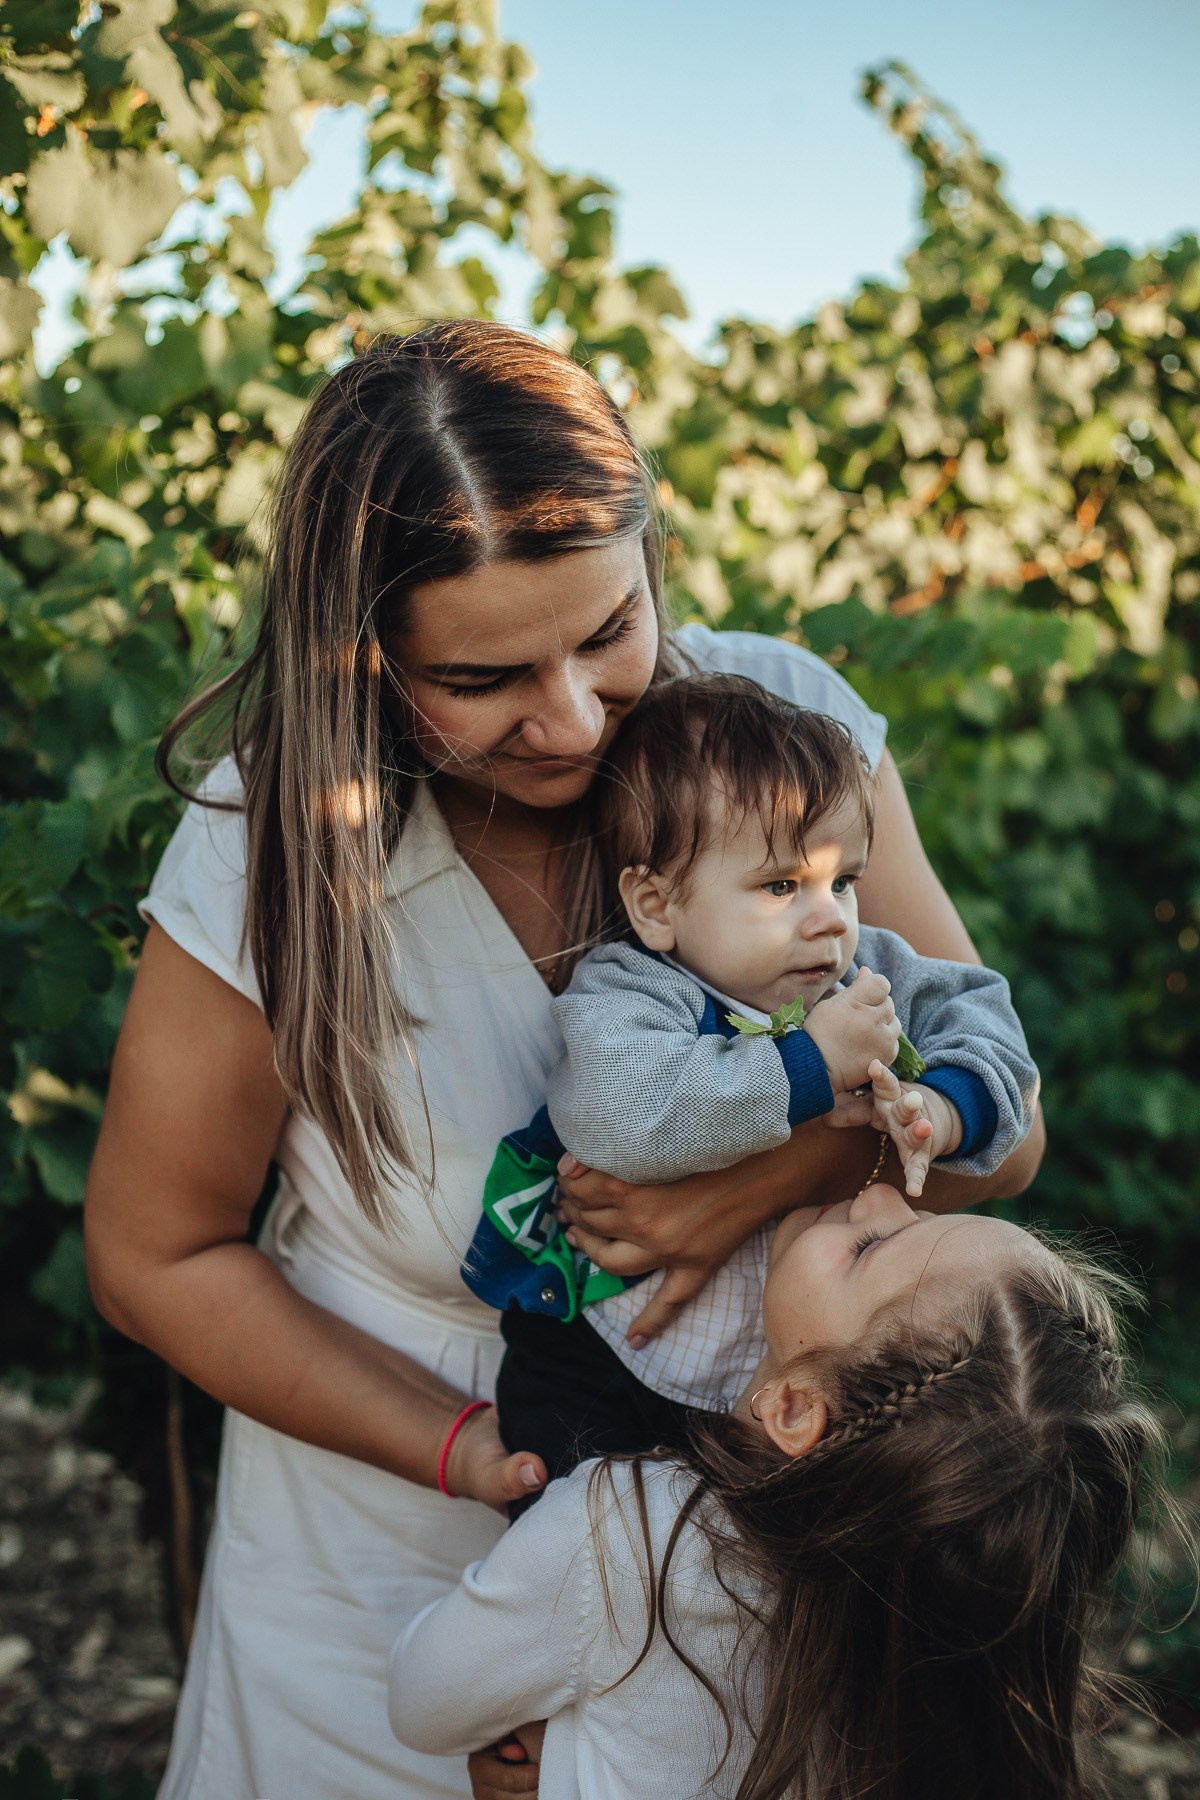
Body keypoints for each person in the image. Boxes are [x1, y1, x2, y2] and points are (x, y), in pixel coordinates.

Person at [82, 320, 1044, 1799]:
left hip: (740, 1594)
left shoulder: (784, 745)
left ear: (653, 559)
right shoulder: (274, 839)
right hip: (377, 1567)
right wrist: (480, 1459)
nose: (577, 719)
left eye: (607, 634)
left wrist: (743, 1190)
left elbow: (1007, 1130)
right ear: (362, 651)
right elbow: (157, 1255)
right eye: (482, 679)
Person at [393, 1185, 1160, 1800]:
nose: (881, 1195)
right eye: (927, 1210)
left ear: (794, 1408)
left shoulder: (625, 1531)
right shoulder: (936, 1656)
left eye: (869, 1247)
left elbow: (422, 1699)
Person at [463, 674, 1039, 1487]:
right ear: (657, 905)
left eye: (842, 880)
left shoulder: (866, 971)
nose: (831, 917)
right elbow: (614, 1114)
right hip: (600, 1359)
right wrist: (807, 1065)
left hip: (772, 1376)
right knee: (588, 1557)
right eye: (781, 886)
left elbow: (989, 1022)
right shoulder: (634, 992)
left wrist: (943, 1107)